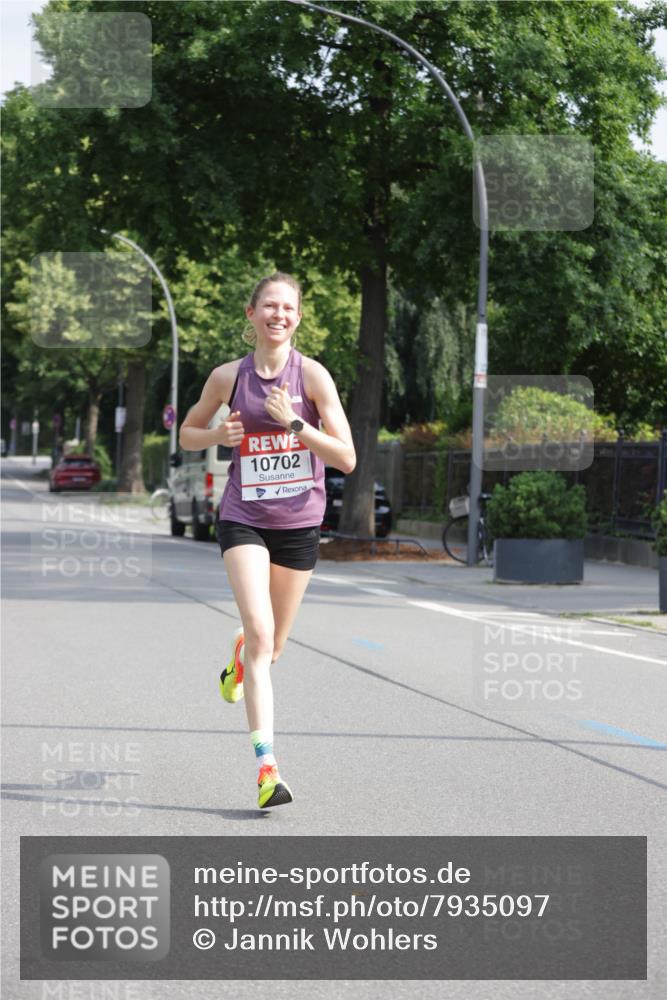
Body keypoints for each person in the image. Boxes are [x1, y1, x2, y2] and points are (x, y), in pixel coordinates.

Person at [179, 272, 356, 808]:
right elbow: (188, 433)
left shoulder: (315, 378)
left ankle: (240, 653)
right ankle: (267, 769)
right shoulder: (228, 377)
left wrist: (296, 425)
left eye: (289, 308)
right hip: (244, 518)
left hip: (300, 524)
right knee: (261, 633)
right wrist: (217, 435)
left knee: (271, 648)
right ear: (251, 314)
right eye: (270, 307)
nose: (279, 315)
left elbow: (346, 458)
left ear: (298, 318)